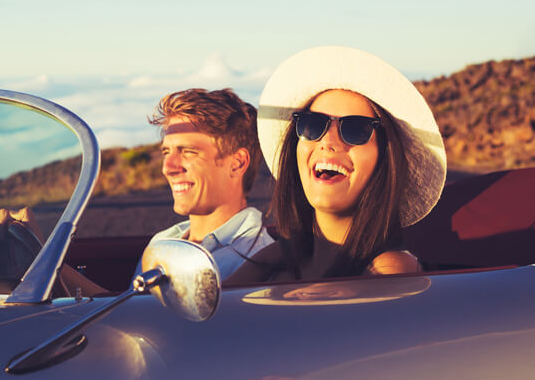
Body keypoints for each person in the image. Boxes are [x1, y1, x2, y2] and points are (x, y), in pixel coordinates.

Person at [228, 46, 446, 283]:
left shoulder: (389, 270)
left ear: (385, 157)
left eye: (355, 130)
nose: (328, 142)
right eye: (313, 124)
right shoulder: (275, 260)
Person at [141, 88, 274, 280]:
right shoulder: (161, 242)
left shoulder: (255, 259)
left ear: (237, 163)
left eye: (188, 151)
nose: (168, 168)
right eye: (166, 152)